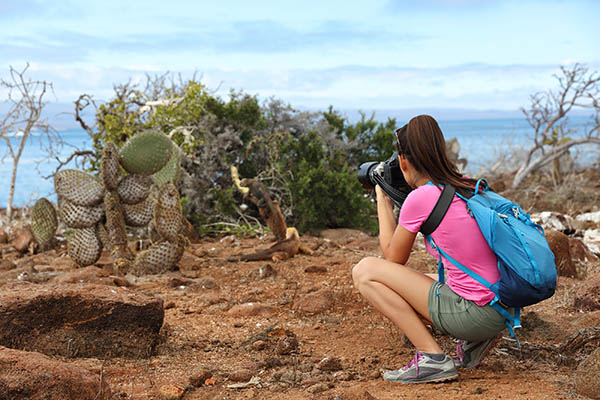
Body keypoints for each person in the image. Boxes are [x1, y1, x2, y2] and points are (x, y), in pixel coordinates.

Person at [352, 114, 509, 384]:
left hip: (476, 313)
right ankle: (475, 343)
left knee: (365, 271)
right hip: (503, 304)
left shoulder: (422, 197)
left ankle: (432, 358)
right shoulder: (466, 184)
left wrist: (382, 197)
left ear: (403, 161)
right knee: (437, 279)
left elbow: (392, 259)